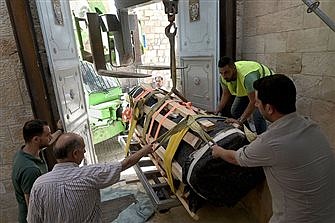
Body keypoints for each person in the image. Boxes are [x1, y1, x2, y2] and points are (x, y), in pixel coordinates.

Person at [212, 74, 335, 223]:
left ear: (269, 108)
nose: (255, 105)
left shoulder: (270, 142)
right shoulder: (312, 126)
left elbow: (236, 158)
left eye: (257, 102)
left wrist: (219, 151)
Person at [27, 133, 153, 222]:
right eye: (83, 149)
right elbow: (125, 164)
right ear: (75, 154)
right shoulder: (89, 175)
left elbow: (33, 220)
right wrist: (145, 150)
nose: (85, 152)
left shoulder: (39, 185)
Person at [11, 119, 63, 223]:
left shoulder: (26, 152)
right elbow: (32, 206)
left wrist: (60, 130)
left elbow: (49, 141)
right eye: (47, 135)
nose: (50, 137)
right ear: (36, 139)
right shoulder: (31, 170)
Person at [215, 56, 273, 134]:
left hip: (266, 85)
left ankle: (261, 138)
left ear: (234, 68)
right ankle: (248, 134)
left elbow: (253, 101)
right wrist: (217, 110)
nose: (224, 76)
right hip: (249, 88)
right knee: (235, 111)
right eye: (221, 73)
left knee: (258, 116)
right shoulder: (223, 78)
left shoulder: (247, 77)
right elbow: (226, 93)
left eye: (226, 72)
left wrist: (240, 121)